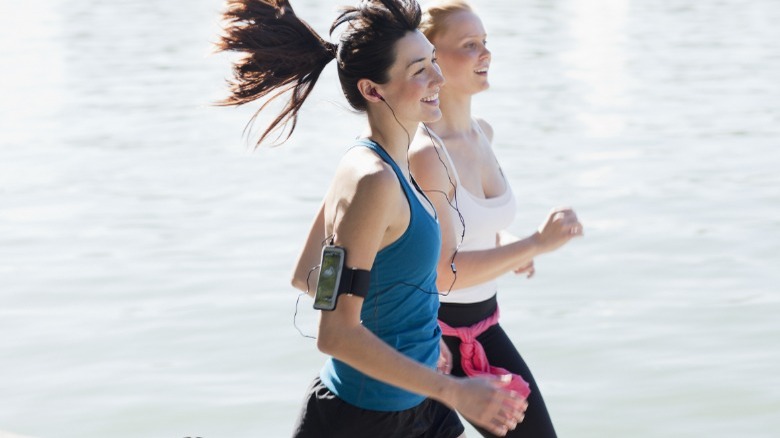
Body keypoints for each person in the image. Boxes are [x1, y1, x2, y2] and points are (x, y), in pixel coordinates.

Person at [216, 0, 528, 436]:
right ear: (372, 90)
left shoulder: (387, 162)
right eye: (419, 70)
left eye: (433, 62)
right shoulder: (373, 179)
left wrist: (417, 339)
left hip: (419, 403)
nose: (438, 78)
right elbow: (335, 334)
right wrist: (454, 391)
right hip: (363, 418)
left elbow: (309, 272)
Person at [409, 1, 585, 437]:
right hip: (434, 338)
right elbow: (444, 273)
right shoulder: (427, 153)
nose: (486, 53)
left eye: (485, 42)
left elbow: (468, 226)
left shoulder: (483, 132)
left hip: (483, 324)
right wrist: (534, 244)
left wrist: (506, 243)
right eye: (470, 45)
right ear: (431, 59)